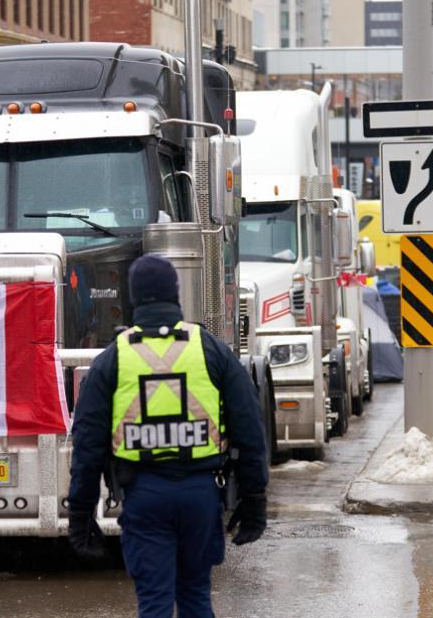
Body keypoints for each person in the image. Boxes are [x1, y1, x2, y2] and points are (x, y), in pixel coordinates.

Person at [67, 254, 270, 618]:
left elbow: (88, 443)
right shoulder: (210, 350)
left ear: (133, 298)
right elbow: (249, 425)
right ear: (175, 296)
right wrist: (254, 496)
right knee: (195, 597)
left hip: (144, 497)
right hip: (200, 494)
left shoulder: (113, 359)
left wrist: (81, 513)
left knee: (155, 603)